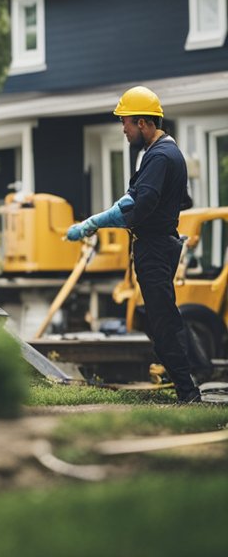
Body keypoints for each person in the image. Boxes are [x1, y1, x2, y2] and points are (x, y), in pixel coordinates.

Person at [65, 86, 203, 403]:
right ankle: (187, 378)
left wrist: (96, 222)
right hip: (159, 245)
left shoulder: (159, 156)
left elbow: (142, 205)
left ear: (143, 123)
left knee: (163, 319)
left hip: (154, 248)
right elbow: (179, 199)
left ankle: (188, 392)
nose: (123, 130)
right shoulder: (164, 152)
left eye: (126, 122)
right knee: (154, 317)